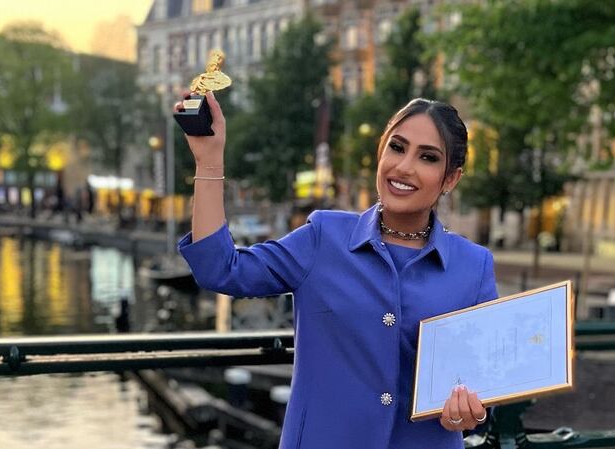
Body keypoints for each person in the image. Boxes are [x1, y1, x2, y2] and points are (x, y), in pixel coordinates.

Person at [176, 91, 498, 449]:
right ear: (380, 152)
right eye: (396, 147)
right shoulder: (322, 238)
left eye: (428, 157)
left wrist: (474, 411)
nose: (404, 167)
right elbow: (221, 270)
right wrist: (208, 161)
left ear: (450, 179)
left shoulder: (474, 266)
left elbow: (485, 386)